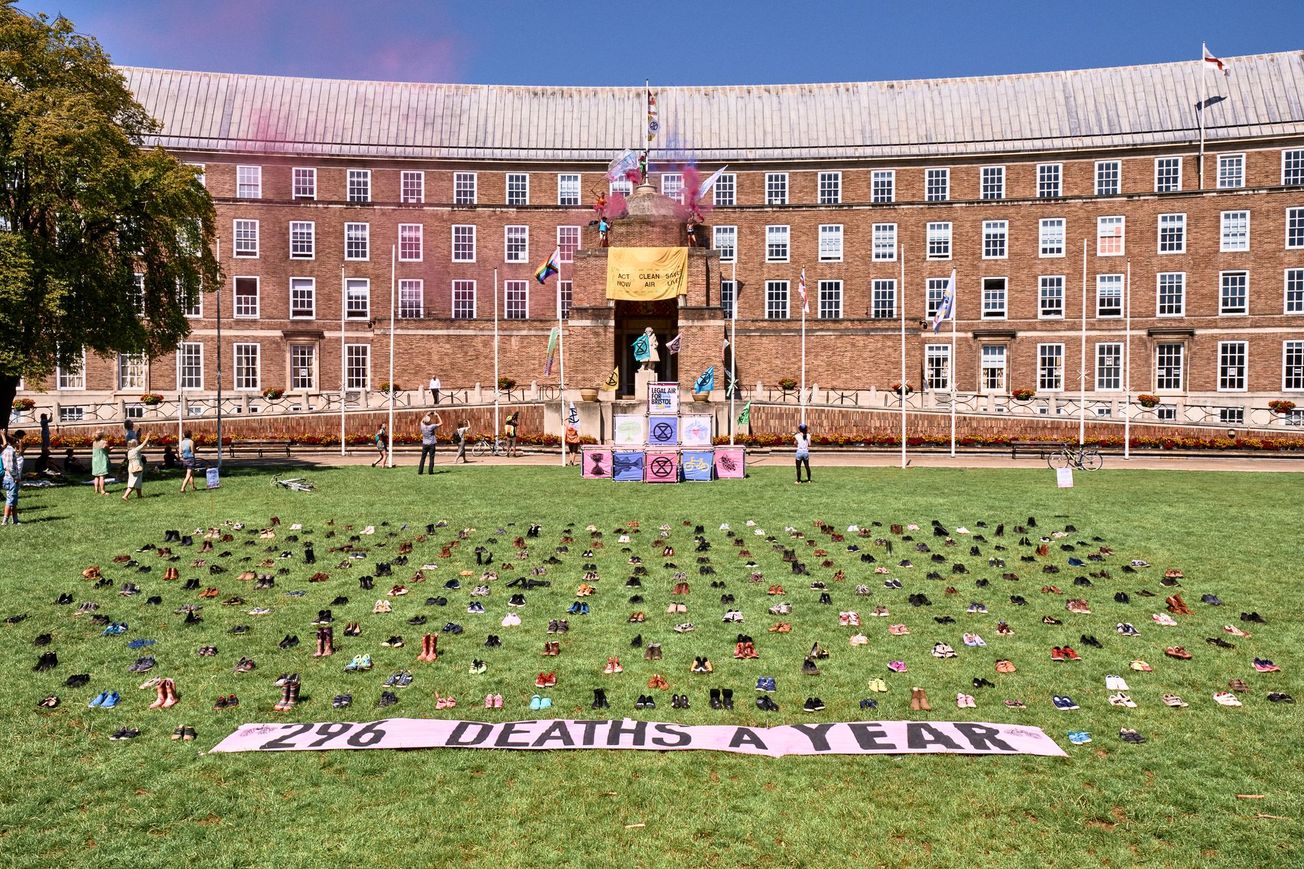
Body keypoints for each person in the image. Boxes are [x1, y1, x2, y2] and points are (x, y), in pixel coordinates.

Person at [1, 430, 23, 524]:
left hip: (7, 477)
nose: (18, 443)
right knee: (10, 500)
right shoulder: (10, 450)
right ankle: (5, 521)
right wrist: (16, 477)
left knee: (13, 499)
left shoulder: (5, 450)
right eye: (17, 441)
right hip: (11, 478)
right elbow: (10, 467)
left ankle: (15, 520)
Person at [122, 431, 151, 501]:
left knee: (138, 481)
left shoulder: (129, 451)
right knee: (132, 482)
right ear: (135, 445)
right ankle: (125, 496)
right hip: (136, 468)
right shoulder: (135, 450)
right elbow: (143, 444)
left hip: (131, 467)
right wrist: (147, 437)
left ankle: (139, 495)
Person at [91, 429, 110, 495]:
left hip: (95, 461)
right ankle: (102, 491)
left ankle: (96, 490)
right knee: (102, 476)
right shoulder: (104, 442)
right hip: (102, 460)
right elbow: (108, 450)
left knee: (96, 476)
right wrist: (110, 448)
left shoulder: (94, 442)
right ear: (102, 435)